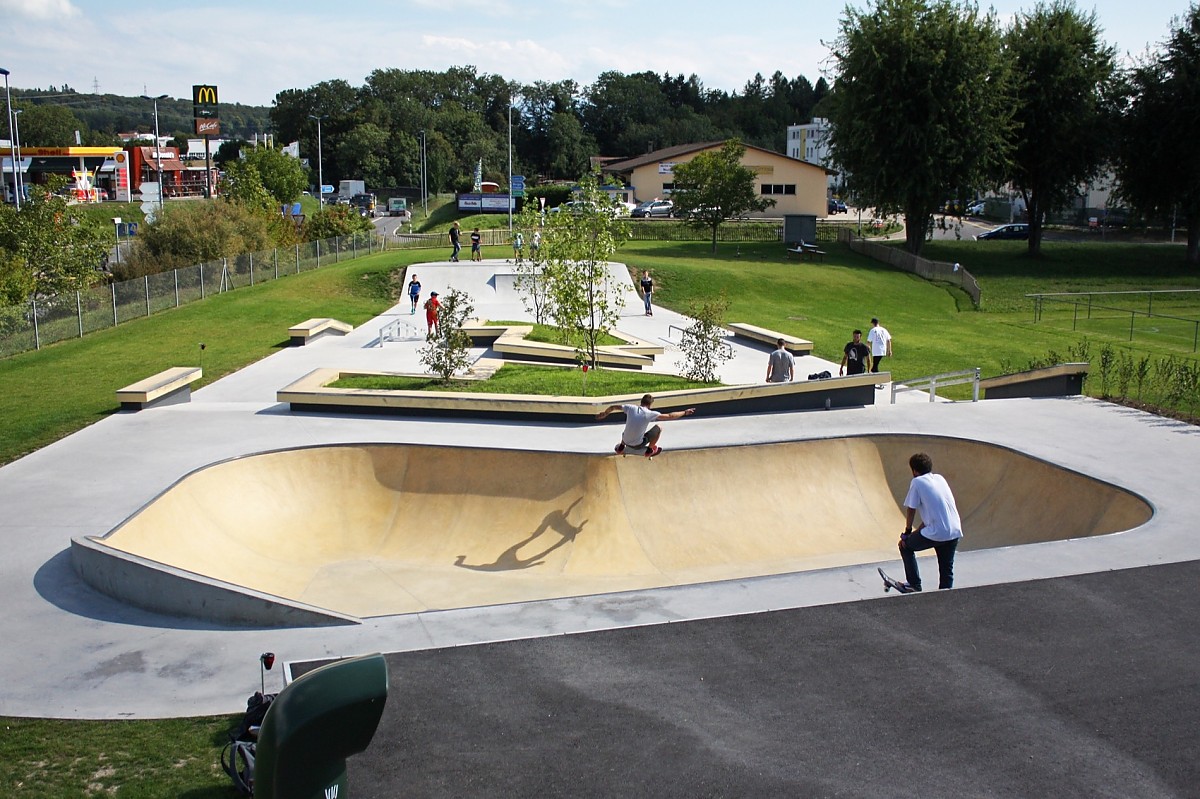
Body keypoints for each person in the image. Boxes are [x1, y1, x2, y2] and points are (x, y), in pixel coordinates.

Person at [894, 452, 963, 592]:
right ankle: (946, 598)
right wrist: (916, 532)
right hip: (954, 531)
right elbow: (933, 516)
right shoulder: (940, 479)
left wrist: (907, 533)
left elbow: (911, 509)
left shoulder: (917, 482)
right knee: (946, 571)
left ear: (914, 470)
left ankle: (913, 584)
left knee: (905, 547)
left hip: (937, 532)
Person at [596, 394, 696, 458]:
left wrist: (605, 413)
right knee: (659, 428)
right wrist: (685, 412)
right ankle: (649, 450)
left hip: (625, 440)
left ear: (641, 401)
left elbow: (613, 407)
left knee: (628, 427)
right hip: (638, 444)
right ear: (650, 404)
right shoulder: (649, 413)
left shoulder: (630, 408)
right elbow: (670, 416)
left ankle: (621, 447)